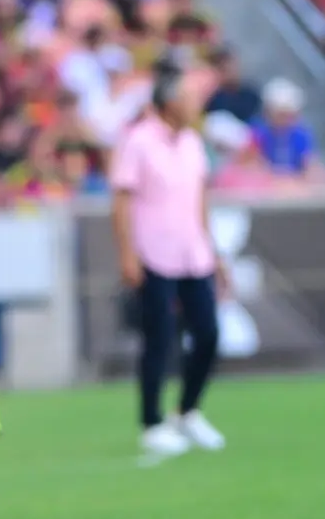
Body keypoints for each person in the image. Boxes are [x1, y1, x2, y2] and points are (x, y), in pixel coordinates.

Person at [110, 72, 228, 457]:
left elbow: (200, 200)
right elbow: (122, 201)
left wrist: (213, 250)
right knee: (159, 339)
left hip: (193, 253)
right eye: (189, 97)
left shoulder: (193, 142)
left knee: (208, 333)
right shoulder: (139, 141)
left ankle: (188, 410)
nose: (197, 104)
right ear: (171, 103)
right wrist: (127, 252)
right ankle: (151, 422)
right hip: (153, 253)